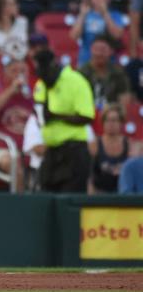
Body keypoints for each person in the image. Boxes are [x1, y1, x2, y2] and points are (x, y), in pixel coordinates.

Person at [33, 49, 95, 193]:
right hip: (51, 149)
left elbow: (87, 116)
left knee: (70, 200)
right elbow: (38, 109)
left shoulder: (76, 81)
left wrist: (57, 116)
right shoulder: (41, 83)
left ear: (54, 66)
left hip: (74, 150)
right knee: (46, 196)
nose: (43, 76)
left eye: (45, 72)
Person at [70, 0, 127, 66]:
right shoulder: (85, 14)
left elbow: (117, 35)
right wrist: (82, 15)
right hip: (85, 61)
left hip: (108, 63)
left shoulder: (115, 15)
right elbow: (74, 36)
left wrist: (105, 14)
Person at [79, 35, 131, 112]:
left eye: (103, 50)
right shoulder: (81, 73)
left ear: (111, 51)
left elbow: (124, 100)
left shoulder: (118, 74)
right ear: (91, 50)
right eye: (96, 49)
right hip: (85, 115)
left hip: (110, 117)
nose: (99, 53)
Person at [89, 105, 134, 194]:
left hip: (122, 194)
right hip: (99, 193)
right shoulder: (94, 144)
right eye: (107, 120)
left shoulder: (129, 144)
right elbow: (89, 176)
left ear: (121, 122)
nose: (110, 124)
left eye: (114, 120)